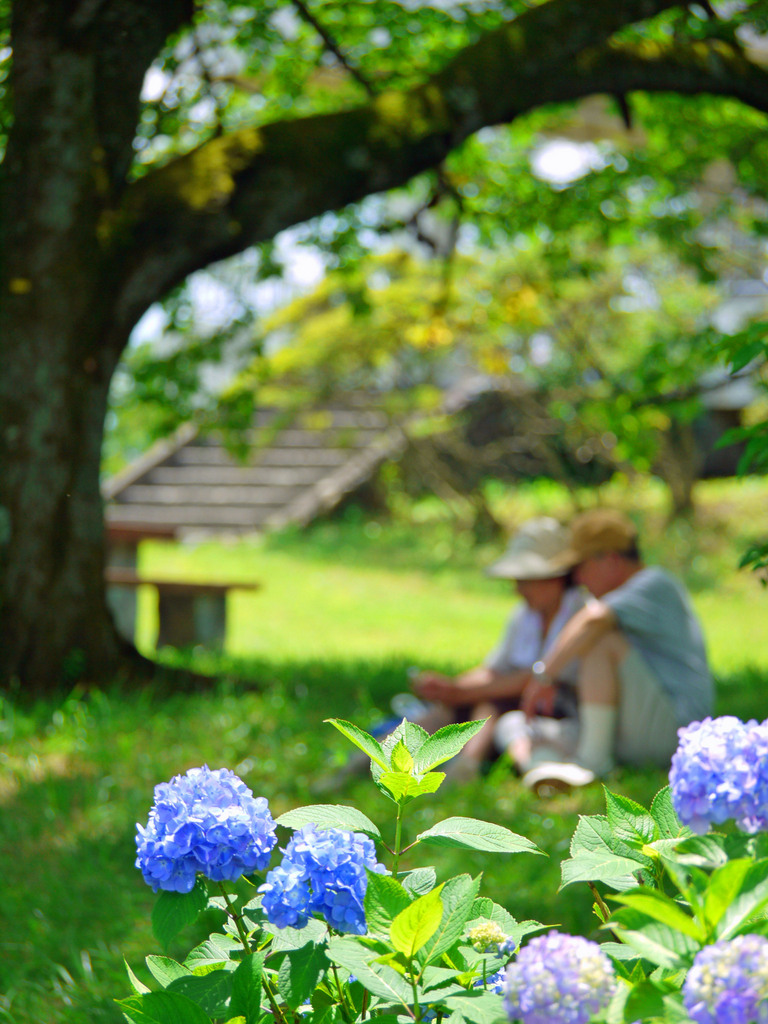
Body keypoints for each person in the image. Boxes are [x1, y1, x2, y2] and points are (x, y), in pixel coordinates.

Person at [505, 508, 714, 793]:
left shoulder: (655, 583)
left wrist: (543, 676)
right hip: (638, 727)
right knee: (513, 724)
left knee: (600, 641)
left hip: (673, 732)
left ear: (611, 560)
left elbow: (593, 620)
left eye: (581, 567)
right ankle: (543, 771)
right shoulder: (628, 597)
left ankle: (592, 762)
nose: (578, 579)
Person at [411, 517, 584, 781]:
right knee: (447, 710)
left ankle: (466, 767)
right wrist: (450, 688)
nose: (518, 589)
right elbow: (494, 669)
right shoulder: (524, 615)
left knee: (490, 703)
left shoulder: (578, 612)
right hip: (518, 702)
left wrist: (462, 692)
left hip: (561, 711)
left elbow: (535, 678)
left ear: (555, 578)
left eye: (525, 580)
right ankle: (375, 761)